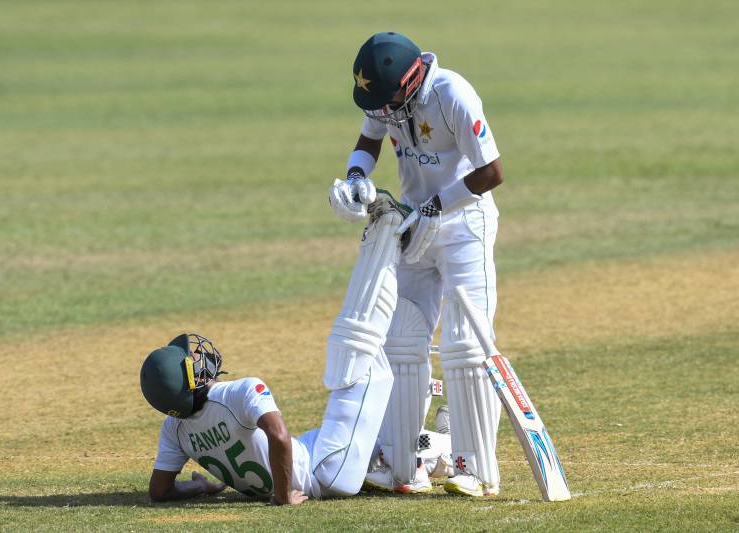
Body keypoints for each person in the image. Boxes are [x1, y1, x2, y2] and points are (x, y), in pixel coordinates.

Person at [140, 193, 410, 504]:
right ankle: (387, 228)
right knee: (356, 351)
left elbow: (159, 491)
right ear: (190, 380)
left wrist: (202, 486)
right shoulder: (240, 392)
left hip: (314, 453)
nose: (199, 355)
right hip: (327, 473)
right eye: (193, 358)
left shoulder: (174, 428)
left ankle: (425, 451)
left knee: (369, 434)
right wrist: (283, 496)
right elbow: (278, 436)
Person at [328, 32, 505, 497]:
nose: (381, 112)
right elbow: (369, 140)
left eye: (386, 103)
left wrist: (435, 207)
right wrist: (355, 178)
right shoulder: (383, 96)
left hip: (465, 222)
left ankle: (474, 466)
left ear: (410, 82)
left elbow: (492, 172)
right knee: (401, 341)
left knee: (466, 346)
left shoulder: (453, 95)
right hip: (413, 223)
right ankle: (402, 462)